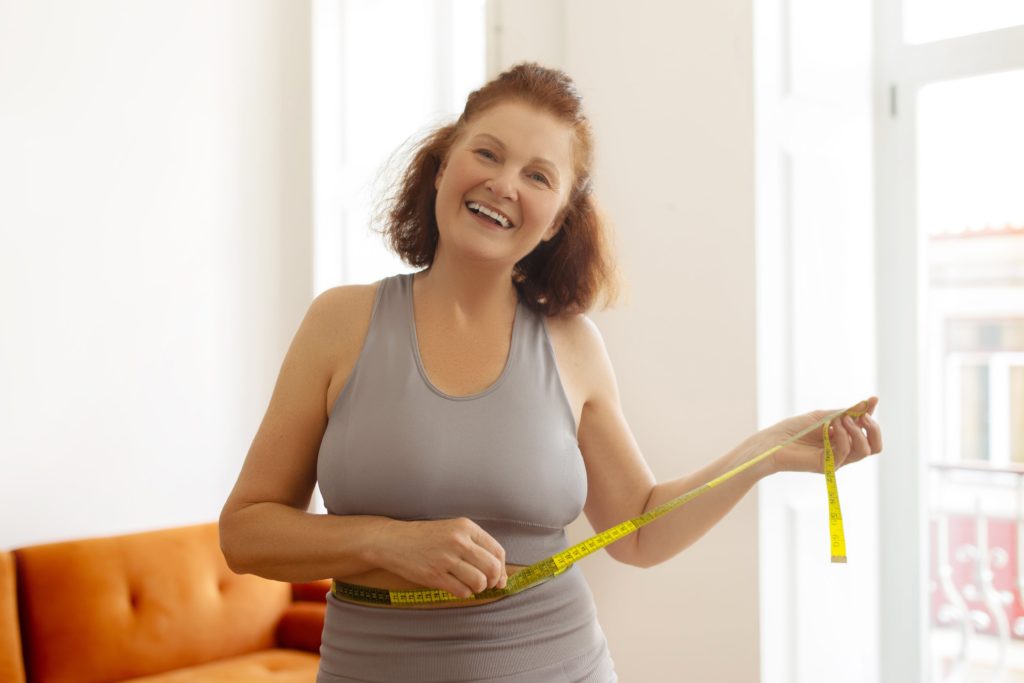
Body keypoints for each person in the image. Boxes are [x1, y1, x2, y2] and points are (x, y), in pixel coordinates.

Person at [219, 63, 883, 683]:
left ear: (559, 218)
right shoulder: (343, 321)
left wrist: (761, 454)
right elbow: (245, 530)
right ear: (444, 161)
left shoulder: (573, 346)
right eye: (487, 152)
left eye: (539, 176)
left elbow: (641, 529)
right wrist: (387, 542)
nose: (504, 183)